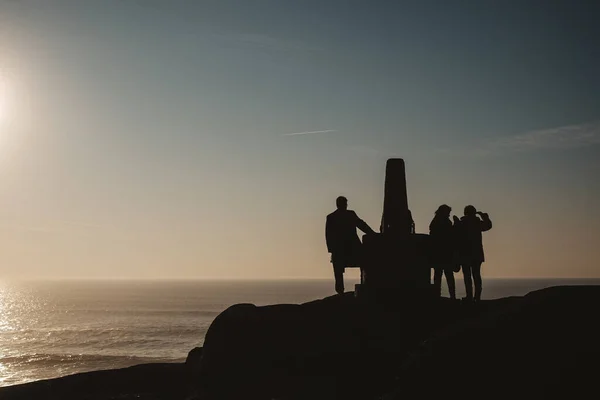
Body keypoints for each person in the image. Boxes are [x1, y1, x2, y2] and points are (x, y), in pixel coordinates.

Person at [325, 196, 377, 294]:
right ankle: (364, 284)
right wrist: (373, 234)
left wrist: (332, 250)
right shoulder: (349, 215)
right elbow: (362, 225)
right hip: (352, 248)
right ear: (344, 204)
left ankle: (340, 291)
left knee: (338, 271)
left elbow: (328, 235)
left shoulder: (332, 217)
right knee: (365, 261)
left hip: (341, 250)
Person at [454, 205, 492, 302]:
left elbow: (455, 234)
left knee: (467, 276)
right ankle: (477, 297)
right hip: (476, 253)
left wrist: (456, 222)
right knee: (476, 275)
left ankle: (469, 296)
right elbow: (488, 226)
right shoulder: (477, 223)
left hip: (465, 253)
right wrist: (484, 216)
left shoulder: (462, 223)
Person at [429, 204, 457, 299]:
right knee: (448, 276)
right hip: (445, 253)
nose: (449, 214)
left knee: (438, 275)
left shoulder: (435, 222)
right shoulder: (444, 222)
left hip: (438, 253)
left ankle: (437, 295)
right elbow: (450, 236)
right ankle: (451, 296)